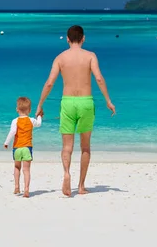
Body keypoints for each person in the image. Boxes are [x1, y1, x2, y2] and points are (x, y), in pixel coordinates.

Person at [36, 25, 116, 197]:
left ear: (67, 39)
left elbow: (49, 83)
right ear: (83, 38)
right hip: (86, 102)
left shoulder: (60, 58)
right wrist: (108, 101)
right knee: (85, 146)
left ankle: (66, 173)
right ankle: (81, 186)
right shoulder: (90, 56)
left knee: (67, 146)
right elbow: (99, 78)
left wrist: (40, 104)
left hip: (68, 102)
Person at [3, 97, 43, 198]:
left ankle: (16, 186)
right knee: (26, 170)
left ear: (17, 109)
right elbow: (39, 124)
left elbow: (12, 132)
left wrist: (6, 142)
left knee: (17, 167)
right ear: (29, 110)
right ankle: (26, 189)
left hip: (17, 148)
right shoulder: (31, 120)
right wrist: (39, 116)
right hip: (27, 148)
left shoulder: (15, 121)